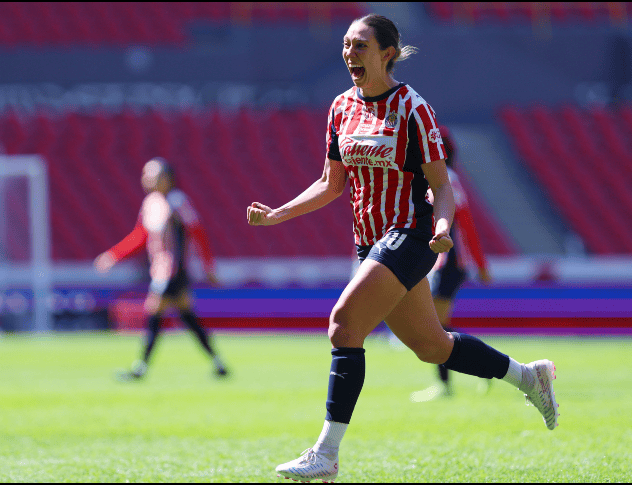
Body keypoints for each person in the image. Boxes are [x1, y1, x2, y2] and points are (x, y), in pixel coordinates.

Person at [247, 14, 558, 482]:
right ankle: (527, 376)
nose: (350, 53)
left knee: (343, 325)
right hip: (369, 243)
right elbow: (332, 184)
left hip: (410, 236)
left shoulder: (413, 108)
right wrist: (278, 213)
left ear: (387, 53)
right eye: (347, 45)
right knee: (432, 347)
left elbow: (443, 185)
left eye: (361, 45)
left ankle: (326, 453)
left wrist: (443, 227)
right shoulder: (340, 108)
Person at [95, 157, 228, 380]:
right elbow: (140, 235)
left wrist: (208, 267)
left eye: (152, 174)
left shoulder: (177, 202)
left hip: (173, 271)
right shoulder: (151, 204)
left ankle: (140, 369)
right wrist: (114, 255)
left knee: (155, 312)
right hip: (160, 270)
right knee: (187, 316)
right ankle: (218, 362)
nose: (146, 179)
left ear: (167, 178)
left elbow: (198, 234)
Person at [410, 125, 494, 403]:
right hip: (447, 261)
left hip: (450, 261)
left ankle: (481, 367)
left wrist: (480, 264)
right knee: (437, 326)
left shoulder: (445, 180)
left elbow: (465, 225)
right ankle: (483, 367)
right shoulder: (446, 178)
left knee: (434, 327)